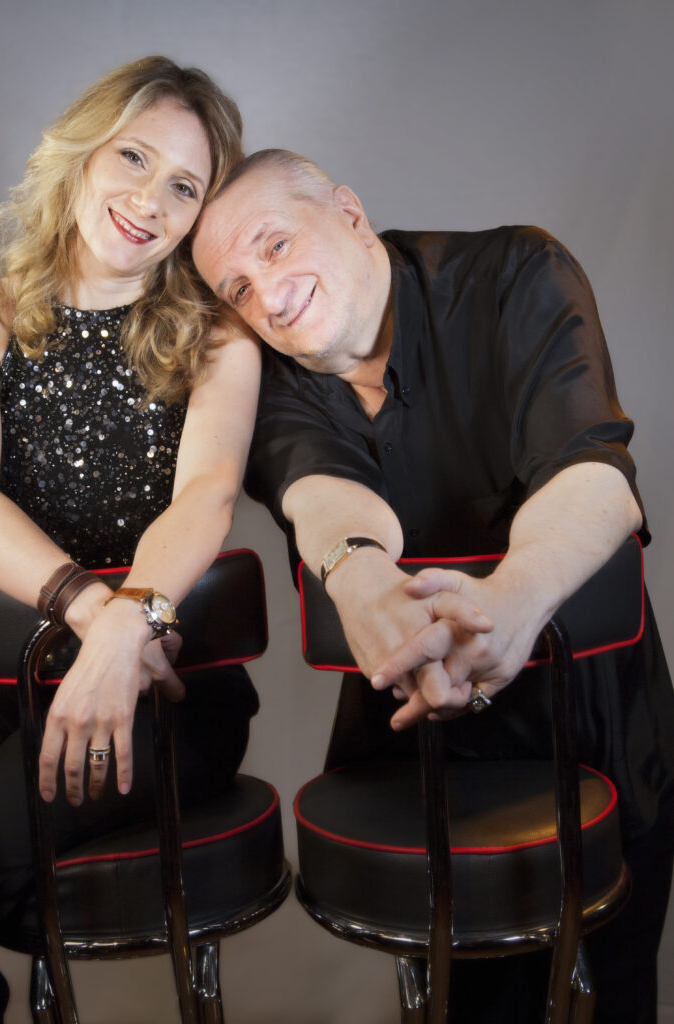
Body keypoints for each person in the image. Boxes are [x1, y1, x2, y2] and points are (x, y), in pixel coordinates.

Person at [191, 149, 674, 1023]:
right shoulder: (267, 376)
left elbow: (593, 477)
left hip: (591, 716)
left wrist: (510, 600)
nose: (267, 299)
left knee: (605, 993)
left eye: (274, 246)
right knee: (463, 1004)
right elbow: (322, 496)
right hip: (416, 739)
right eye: (236, 289)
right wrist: (360, 580)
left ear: (347, 210)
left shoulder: (516, 273)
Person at [0, 58, 263, 1024]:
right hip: (21, 665)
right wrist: (92, 616)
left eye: (184, 187)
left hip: (172, 685)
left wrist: (127, 634)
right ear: (81, 153)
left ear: (199, 217)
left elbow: (206, 497)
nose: (149, 200)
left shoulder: (217, 340)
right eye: (134, 158)